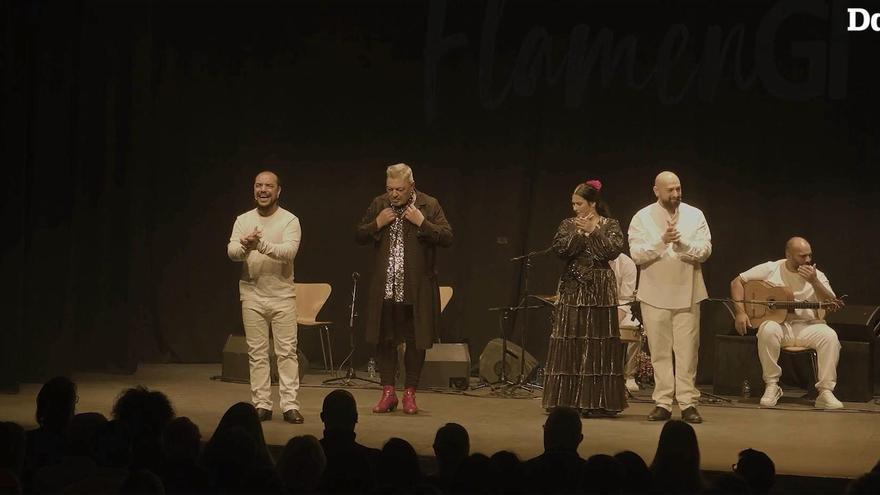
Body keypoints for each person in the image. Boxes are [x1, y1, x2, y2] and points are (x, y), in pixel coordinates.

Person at [356, 163, 453, 414]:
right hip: (386, 288)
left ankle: (410, 393)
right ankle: (388, 392)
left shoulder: (428, 205)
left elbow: (447, 237)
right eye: (390, 189)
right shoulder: (379, 204)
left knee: (415, 341)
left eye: (399, 189)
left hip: (415, 288)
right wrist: (376, 223)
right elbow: (359, 234)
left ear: (411, 185)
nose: (394, 194)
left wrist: (423, 223)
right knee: (384, 339)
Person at [628, 171, 711, 424]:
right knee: (660, 352)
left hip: (687, 292)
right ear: (657, 191)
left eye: (678, 189)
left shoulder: (694, 214)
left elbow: (705, 250)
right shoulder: (642, 217)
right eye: (670, 190)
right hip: (654, 292)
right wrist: (662, 241)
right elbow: (637, 254)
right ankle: (663, 402)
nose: (675, 194)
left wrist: (683, 244)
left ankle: (687, 403)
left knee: (687, 351)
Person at [543, 179, 628, 416]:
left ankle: (598, 402)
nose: (575, 208)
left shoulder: (610, 225)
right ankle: (566, 401)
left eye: (579, 203)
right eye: (573, 203)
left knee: (597, 341)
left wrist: (594, 231)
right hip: (574, 285)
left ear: (592, 203)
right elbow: (561, 251)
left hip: (600, 287)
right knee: (571, 338)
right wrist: (580, 233)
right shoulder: (567, 225)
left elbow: (612, 251)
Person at [730, 237, 845, 409]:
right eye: (802, 256)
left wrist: (814, 282)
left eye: (809, 255)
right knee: (767, 329)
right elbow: (737, 282)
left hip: (809, 326)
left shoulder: (817, 275)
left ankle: (825, 392)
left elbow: (831, 303)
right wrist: (740, 312)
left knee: (830, 336)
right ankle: (772, 385)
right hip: (781, 327)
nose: (807, 260)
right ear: (788, 255)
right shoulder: (772, 268)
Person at [227, 170, 304, 424]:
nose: (262, 190)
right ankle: (261, 404)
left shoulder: (290, 220)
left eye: (268, 186)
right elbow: (232, 252)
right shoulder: (243, 220)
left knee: (286, 352)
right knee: (257, 353)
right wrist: (244, 245)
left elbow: (289, 252)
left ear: (278, 191)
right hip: (251, 294)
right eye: (258, 185)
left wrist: (259, 245)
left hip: (282, 296)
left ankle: (290, 405)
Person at [609, 253, 641, 394]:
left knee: (635, 329)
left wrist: (612, 321)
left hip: (619, 308)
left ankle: (630, 375)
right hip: (594, 308)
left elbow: (625, 299)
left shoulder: (626, 263)